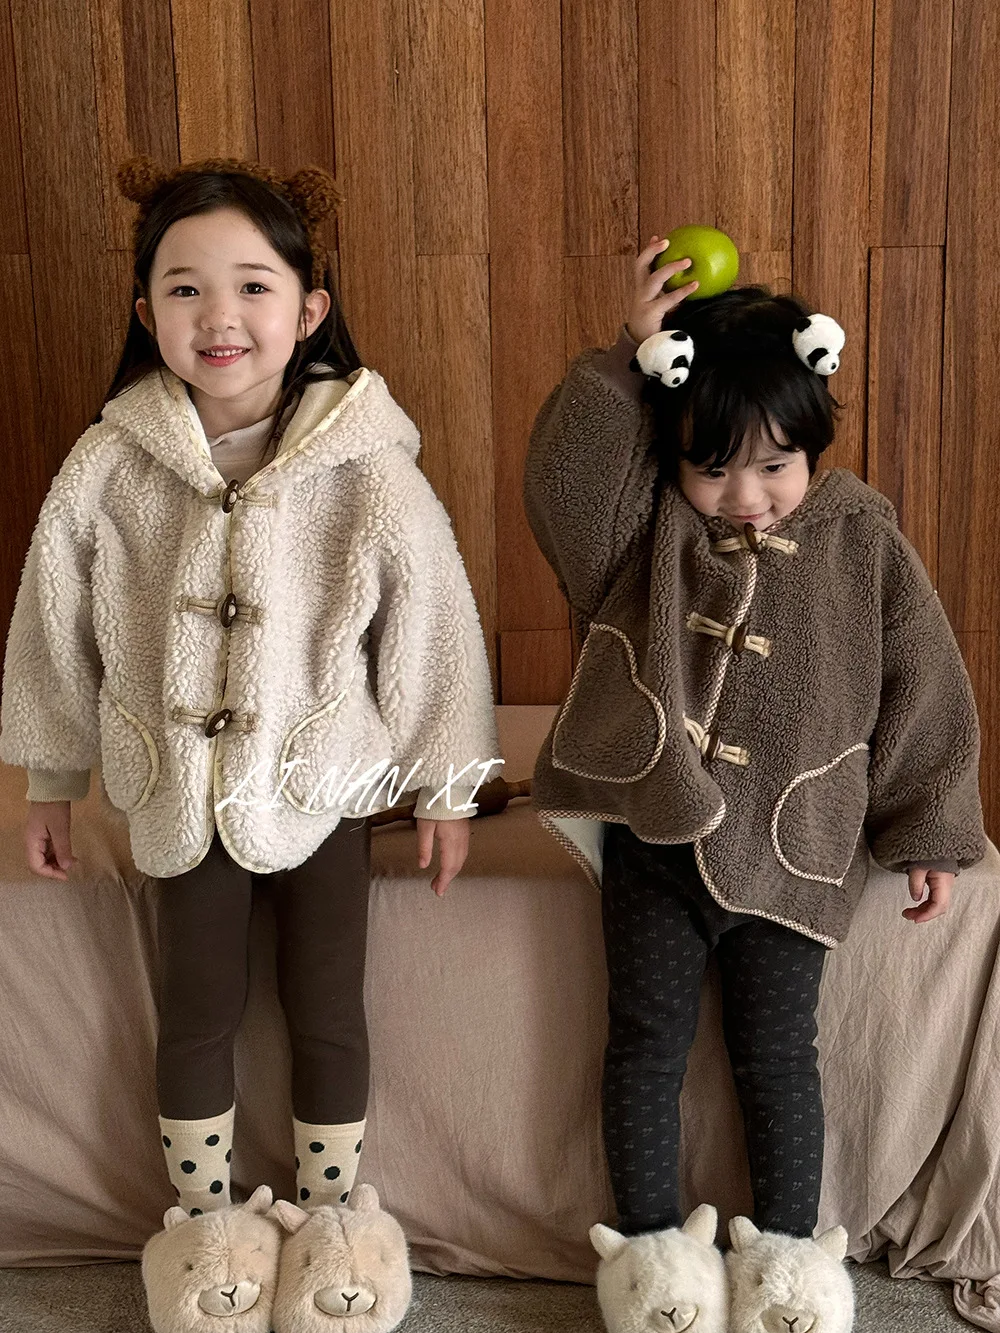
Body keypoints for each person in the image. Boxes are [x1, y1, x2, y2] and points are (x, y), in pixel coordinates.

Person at [0, 156, 500, 1222]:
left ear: (308, 310)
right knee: (196, 1016)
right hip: (179, 790)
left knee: (329, 1013)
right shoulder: (109, 464)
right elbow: (53, 626)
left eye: (252, 286)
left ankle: (329, 1221)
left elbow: (435, 629)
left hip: (322, 784)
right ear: (147, 314)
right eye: (185, 288)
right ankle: (206, 1224)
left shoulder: (366, 464)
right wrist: (51, 778)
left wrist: (449, 787)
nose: (219, 315)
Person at [522, 238, 985, 1257]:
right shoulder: (641, 530)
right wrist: (628, 355)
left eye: (774, 465)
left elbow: (922, 681)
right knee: (644, 1046)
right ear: (673, 456)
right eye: (713, 468)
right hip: (655, 836)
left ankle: (787, 1259)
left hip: (795, 845)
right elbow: (565, 493)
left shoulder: (861, 535)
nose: (745, 495)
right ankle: (649, 1256)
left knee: (778, 1058)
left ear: (812, 444)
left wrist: (929, 828)